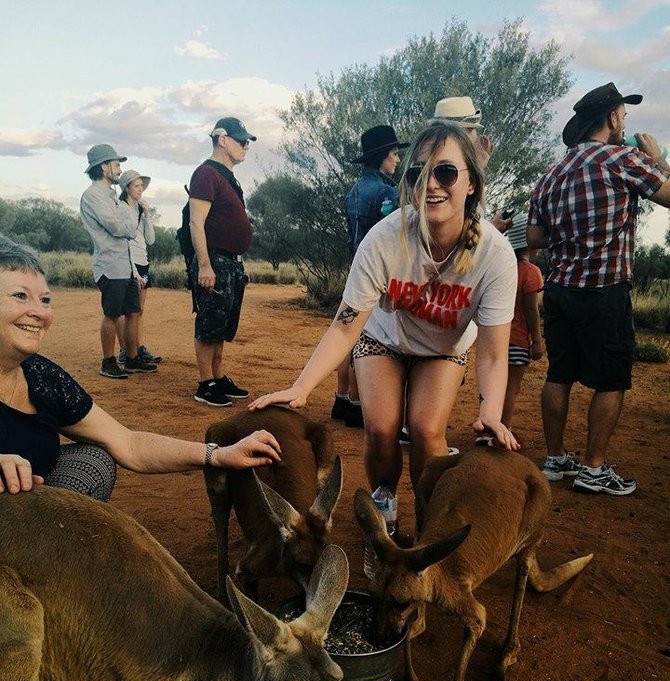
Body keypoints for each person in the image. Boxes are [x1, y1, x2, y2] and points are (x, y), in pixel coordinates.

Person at [250, 122, 519, 518]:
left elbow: (494, 355)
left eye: (445, 171)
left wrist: (490, 413)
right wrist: (301, 387)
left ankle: (431, 515)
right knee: (381, 429)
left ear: (471, 184)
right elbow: (345, 325)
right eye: (417, 174)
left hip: (443, 349)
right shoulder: (384, 239)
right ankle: (385, 505)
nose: (431, 184)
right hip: (383, 339)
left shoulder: (494, 256)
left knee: (427, 431)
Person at [0, 236, 281, 500]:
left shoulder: (41, 377)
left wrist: (218, 455)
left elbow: (129, 444)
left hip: (27, 520)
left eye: (45, 300)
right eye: (20, 296)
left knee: (93, 461)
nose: (40, 313)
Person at [528, 82, 670, 496]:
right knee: (611, 380)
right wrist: (658, 160)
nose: (625, 123)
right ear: (610, 118)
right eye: (623, 115)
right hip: (604, 289)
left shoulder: (552, 174)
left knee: (559, 374)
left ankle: (555, 459)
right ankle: (593, 468)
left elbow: (535, 237)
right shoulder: (624, 159)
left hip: (559, 289)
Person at [333, 125, 408, 428]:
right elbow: (393, 235)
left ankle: (341, 399)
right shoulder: (386, 192)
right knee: (368, 334)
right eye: (393, 154)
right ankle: (356, 403)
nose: (397, 160)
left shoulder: (354, 191)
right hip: (378, 273)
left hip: (355, 267)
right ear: (381, 157)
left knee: (347, 332)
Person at [189, 116, 255, 408]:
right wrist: (205, 265)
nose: (246, 146)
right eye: (241, 141)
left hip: (230, 263)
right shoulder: (206, 174)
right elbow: (196, 222)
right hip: (214, 262)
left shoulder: (227, 176)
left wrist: (240, 262)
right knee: (209, 323)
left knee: (222, 324)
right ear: (222, 139)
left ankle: (218, 376)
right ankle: (206, 384)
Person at [80, 144, 157, 379]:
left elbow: (123, 227)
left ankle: (132, 359)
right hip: (109, 265)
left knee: (133, 312)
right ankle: (108, 361)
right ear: (103, 167)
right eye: (116, 164)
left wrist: (134, 268)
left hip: (125, 264)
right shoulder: (92, 195)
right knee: (112, 314)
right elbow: (115, 226)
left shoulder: (112, 196)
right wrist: (130, 229)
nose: (118, 168)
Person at [428, 96, 512, 234]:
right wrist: (492, 230)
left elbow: (477, 214)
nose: (476, 135)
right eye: (473, 129)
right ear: (461, 133)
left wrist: (478, 168)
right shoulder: (449, 175)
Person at [499, 212, 544, 437]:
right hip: (517, 339)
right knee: (511, 388)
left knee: (493, 386)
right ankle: (503, 430)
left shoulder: (502, 267)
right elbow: (530, 309)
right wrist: (536, 340)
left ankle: (487, 429)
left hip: (496, 339)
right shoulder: (531, 272)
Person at [118, 169, 161, 367]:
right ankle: (126, 351)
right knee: (128, 311)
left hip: (143, 261)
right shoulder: (121, 208)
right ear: (127, 188)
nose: (141, 189)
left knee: (139, 311)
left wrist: (147, 215)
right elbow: (123, 241)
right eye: (137, 186)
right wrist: (132, 271)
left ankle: (138, 347)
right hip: (130, 262)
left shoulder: (139, 211)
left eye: (141, 186)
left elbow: (150, 240)